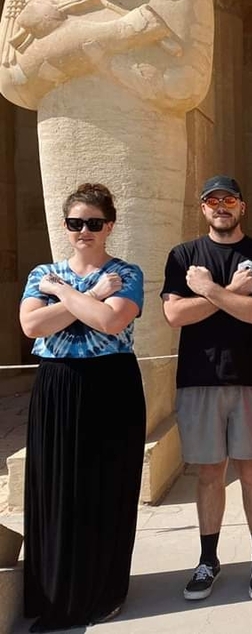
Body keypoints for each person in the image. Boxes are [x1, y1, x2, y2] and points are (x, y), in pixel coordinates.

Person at [19, 183, 145, 631]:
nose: (84, 231)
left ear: (109, 226)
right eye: (76, 223)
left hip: (111, 387)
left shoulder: (126, 273)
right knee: (55, 489)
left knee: (105, 488)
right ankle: (53, 591)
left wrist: (66, 296)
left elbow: (111, 321)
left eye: (94, 222)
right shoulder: (43, 273)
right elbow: (31, 325)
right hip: (57, 386)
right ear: (65, 226)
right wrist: (92, 294)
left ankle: (104, 591)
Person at [161, 175, 252, 601]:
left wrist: (209, 290)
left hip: (250, 378)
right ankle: (207, 560)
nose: (221, 207)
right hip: (199, 379)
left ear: (242, 207)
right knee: (210, 474)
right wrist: (231, 293)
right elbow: (175, 315)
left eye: (229, 200)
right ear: (203, 209)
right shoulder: (183, 256)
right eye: (213, 201)